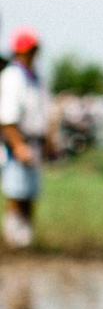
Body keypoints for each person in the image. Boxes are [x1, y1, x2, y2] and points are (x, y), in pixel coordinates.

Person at [1, 29, 53, 249]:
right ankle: (14, 241)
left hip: (34, 141)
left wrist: (49, 141)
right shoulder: (12, 76)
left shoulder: (37, 77)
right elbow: (7, 117)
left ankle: (25, 241)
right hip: (17, 143)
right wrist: (18, 145)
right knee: (16, 191)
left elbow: (43, 113)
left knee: (30, 193)